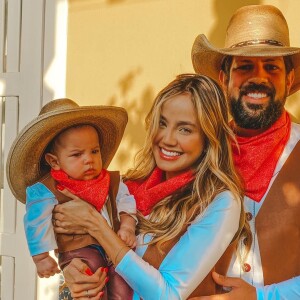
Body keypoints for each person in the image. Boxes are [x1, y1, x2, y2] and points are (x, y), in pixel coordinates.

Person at [52, 74, 251, 299]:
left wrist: (96, 225)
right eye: (162, 123)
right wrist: (74, 273)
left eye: (184, 129)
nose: (167, 139)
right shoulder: (128, 187)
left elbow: (167, 294)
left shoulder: (220, 202)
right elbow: (82, 246)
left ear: (208, 138)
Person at [191, 4, 300, 300]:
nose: (258, 78)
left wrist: (264, 297)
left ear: (288, 80)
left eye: (272, 67)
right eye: (245, 66)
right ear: (224, 79)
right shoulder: (199, 153)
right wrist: (81, 260)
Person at [6, 98, 137, 299]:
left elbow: (126, 201)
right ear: (54, 161)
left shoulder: (110, 181)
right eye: (77, 154)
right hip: (78, 251)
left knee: (124, 284)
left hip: (114, 248)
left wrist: (127, 226)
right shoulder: (47, 190)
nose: (89, 159)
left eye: (94, 151)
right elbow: (36, 221)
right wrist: (41, 257)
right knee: (90, 279)